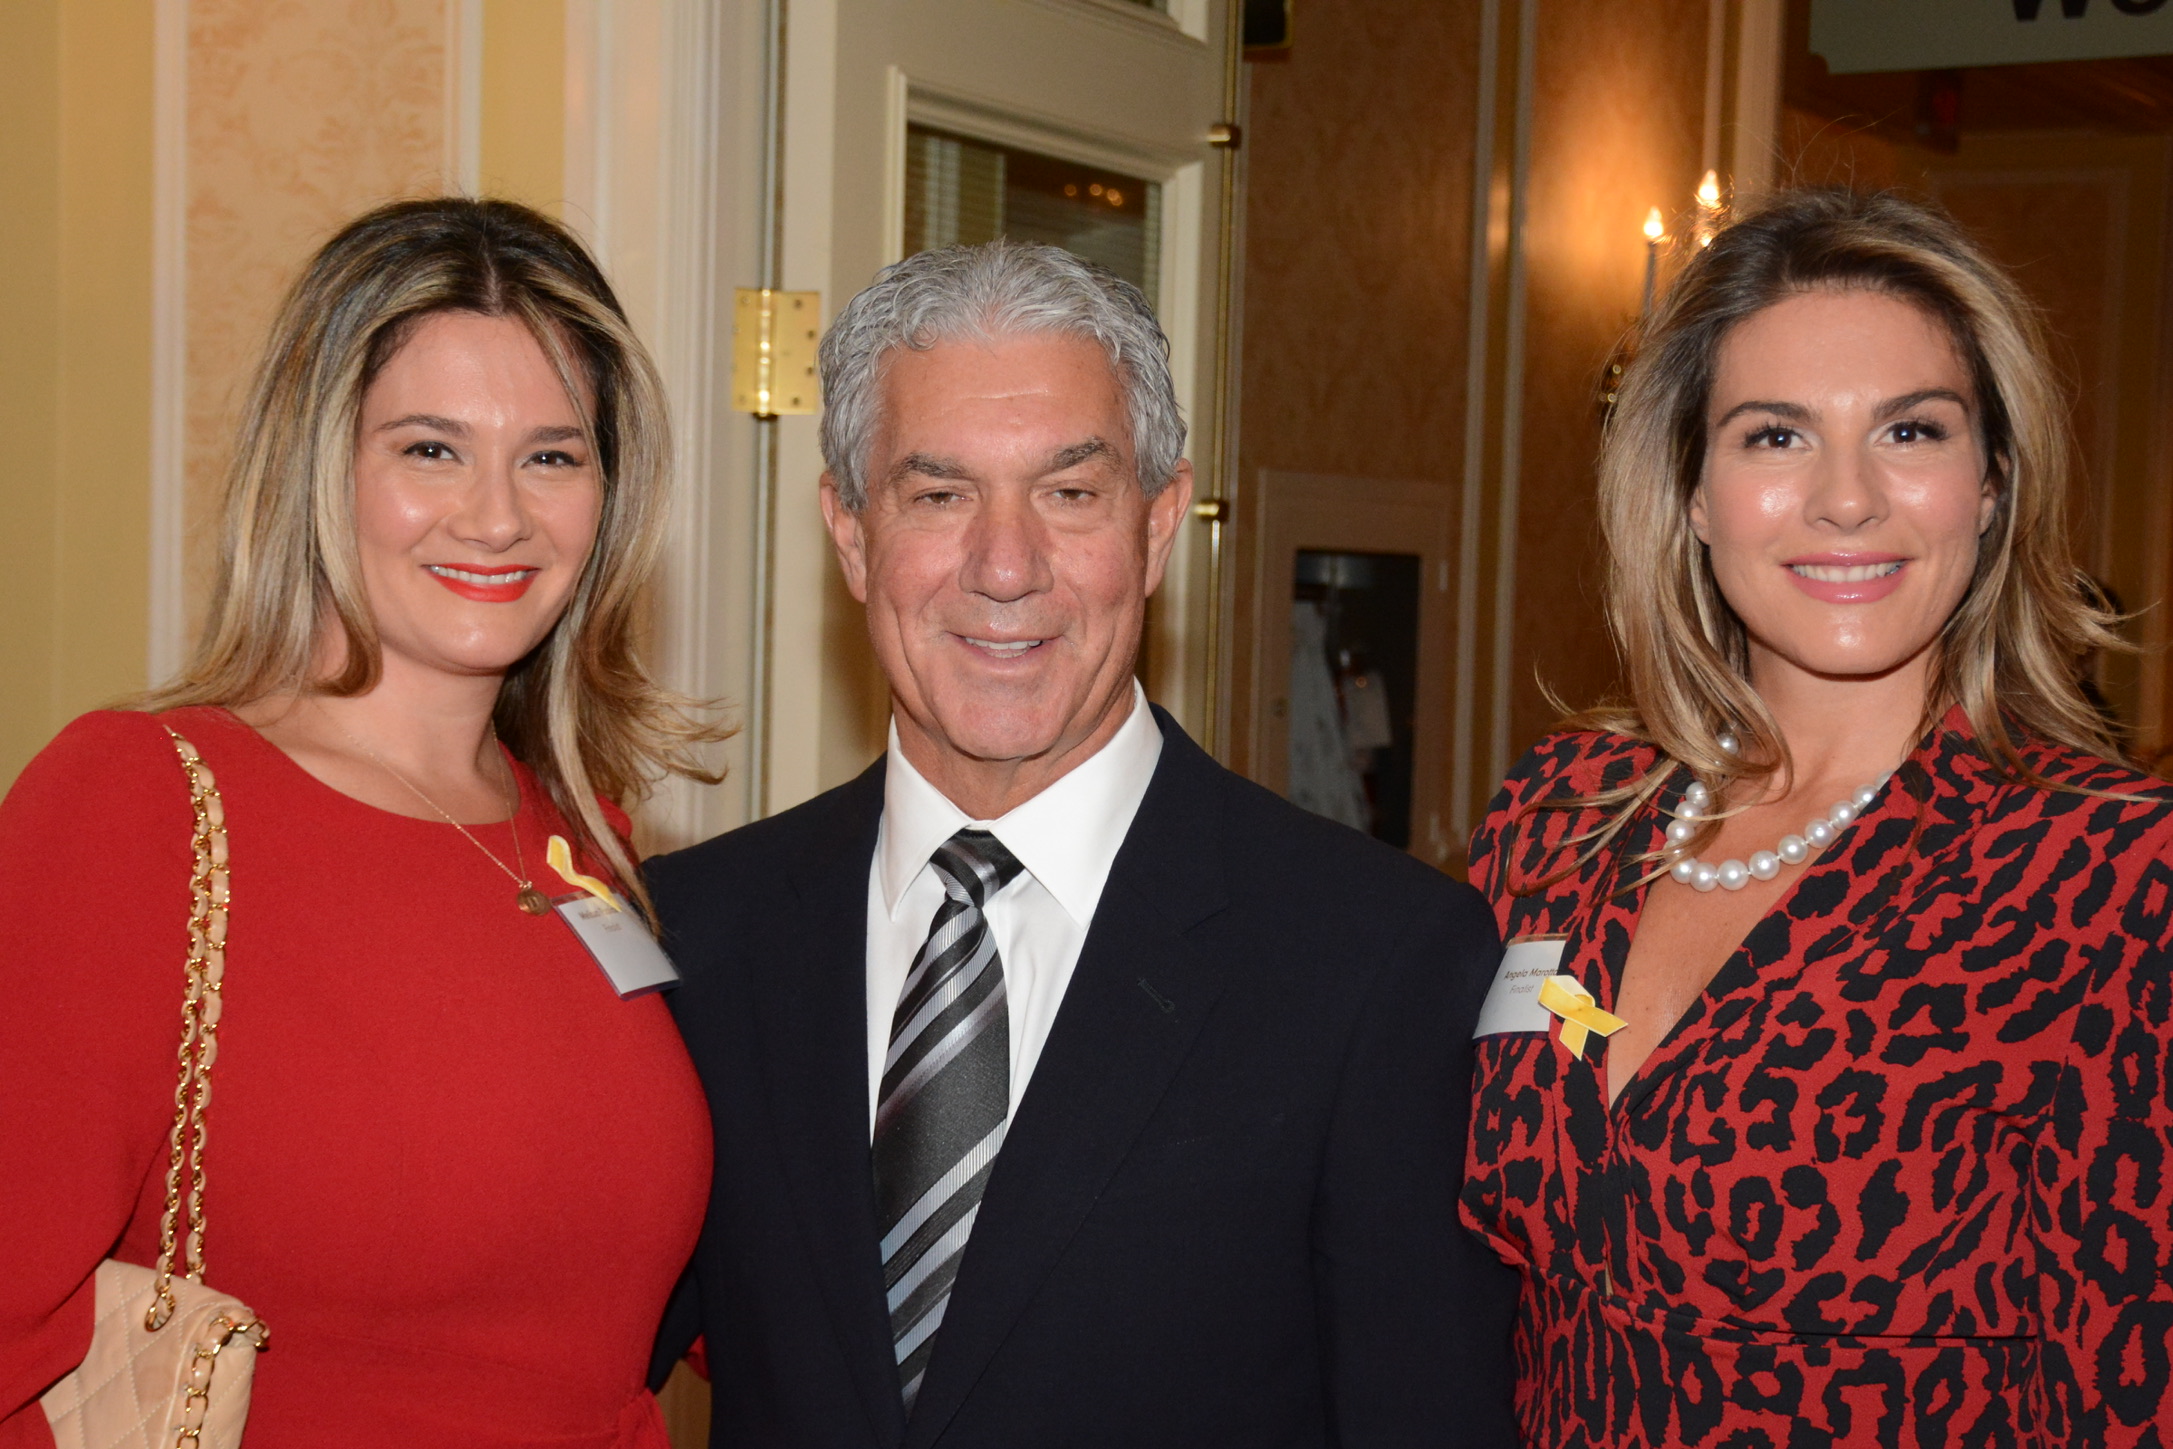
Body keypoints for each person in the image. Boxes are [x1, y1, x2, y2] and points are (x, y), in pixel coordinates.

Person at [647, 240, 1518, 1448]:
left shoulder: (1374, 959)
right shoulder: (697, 936)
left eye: (1069, 493)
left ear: (1157, 526)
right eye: (938, 495)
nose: (1005, 568)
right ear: (849, 533)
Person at [1, 198, 726, 1448]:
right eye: (431, 449)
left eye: (553, 456)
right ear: (318, 470)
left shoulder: (590, 845)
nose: (496, 516)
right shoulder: (142, 805)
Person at [1464, 188, 2173, 1447]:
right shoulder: (1562, 817)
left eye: (1910, 430)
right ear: (1692, 491)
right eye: (1776, 436)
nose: (1847, 499)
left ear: (1992, 485)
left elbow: (2133, 1386)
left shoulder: (2112, 876)